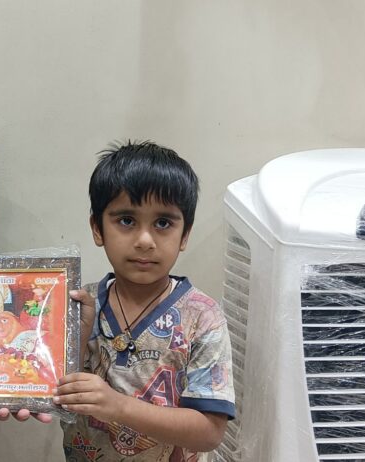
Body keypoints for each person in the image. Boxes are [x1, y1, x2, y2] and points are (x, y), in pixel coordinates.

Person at [54, 141, 235, 461]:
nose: (145, 241)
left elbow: (210, 432)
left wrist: (118, 406)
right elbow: (50, 391)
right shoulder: (78, 306)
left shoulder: (202, 317)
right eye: (126, 220)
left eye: (163, 223)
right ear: (97, 228)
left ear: (185, 235)